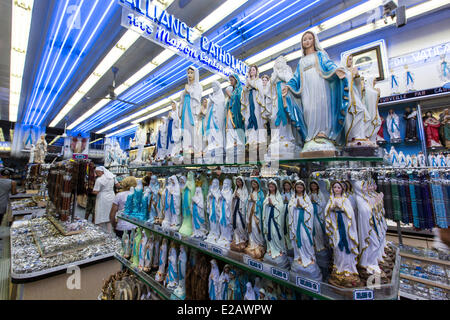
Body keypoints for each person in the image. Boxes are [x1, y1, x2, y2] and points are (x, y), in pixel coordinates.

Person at [92, 166, 117, 232]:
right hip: (111, 196)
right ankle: (109, 231)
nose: (96, 174)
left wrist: (90, 191)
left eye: (97, 172)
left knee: (101, 213)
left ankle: (100, 230)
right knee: (109, 213)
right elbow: (118, 185)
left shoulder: (99, 180)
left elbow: (96, 191)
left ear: (101, 172)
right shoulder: (112, 177)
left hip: (102, 197)